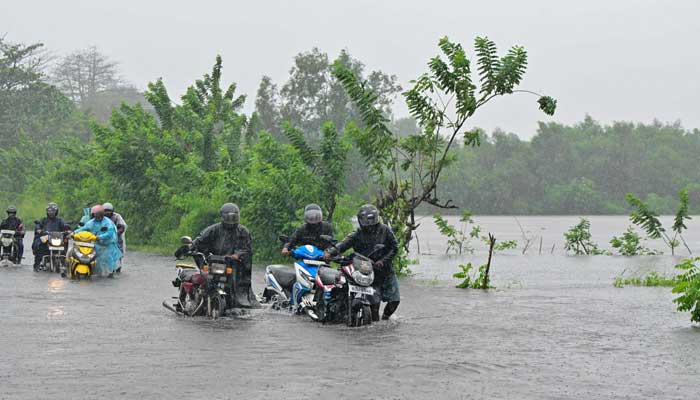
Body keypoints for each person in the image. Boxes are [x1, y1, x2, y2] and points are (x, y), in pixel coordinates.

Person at [324, 204, 400, 321]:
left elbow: (394, 247)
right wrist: (330, 253)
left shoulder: (385, 230)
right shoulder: (357, 234)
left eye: (372, 223)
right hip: (366, 271)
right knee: (374, 304)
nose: (370, 227)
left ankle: (385, 319)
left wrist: (383, 261)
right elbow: (343, 244)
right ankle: (374, 325)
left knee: (394, 300)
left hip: (386, 270)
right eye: (367, 223)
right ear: (360, 221)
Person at [189, 203, 258, 308]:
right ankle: (198, 298)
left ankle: (238, 300)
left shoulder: (243, 231)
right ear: (222, 217)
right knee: (205, 277)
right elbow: (199, 240)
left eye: (234, 217)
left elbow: (247, 249)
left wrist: (237, 255)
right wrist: (191, 246)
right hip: (214, 261)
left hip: (233, 264)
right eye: (229, 217)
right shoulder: (213, 229)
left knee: (240, 285)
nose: (231, 220)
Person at [73, 205, 122, 277]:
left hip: (108, 245)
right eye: (95, 215)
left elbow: (109, 233)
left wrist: (99, 237)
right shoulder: (91, 222)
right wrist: (74, 233)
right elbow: (84, 228)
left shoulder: (108, 223)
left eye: (98, 214)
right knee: (95, 259)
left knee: (108, 261)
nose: (97, 216)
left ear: (102, 214)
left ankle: (110, 274)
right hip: (96, 245)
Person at [32, 203, 71, 270]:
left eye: (53, 211)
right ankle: (37, 264)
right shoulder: (43, 220)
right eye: (49, 211)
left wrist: (67, 230)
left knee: (66, 240)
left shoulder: (60, 220)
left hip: (57, 237)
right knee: (38, 242)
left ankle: (64, 261)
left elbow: (65, 226)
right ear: (47, 212)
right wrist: (39, 229)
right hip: (46, 237)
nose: (51, 213)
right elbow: (38, 226)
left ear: (56, 212)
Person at [103, 202, 127, 269]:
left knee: (118, 250)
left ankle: (118, 265)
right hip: (103, 237)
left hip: (116, 238)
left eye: (109, 211)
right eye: (105, 211)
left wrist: (114, 234)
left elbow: (122, 227)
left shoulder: (117, 216)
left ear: (112, 211)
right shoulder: (100, 217)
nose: (107, 212)